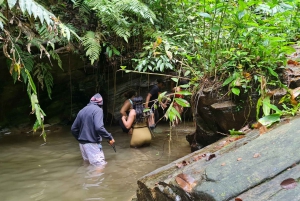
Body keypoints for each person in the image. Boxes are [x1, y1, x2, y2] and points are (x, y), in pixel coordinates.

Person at [71, 93, 115, 167]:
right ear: (101, 104)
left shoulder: (82, 110)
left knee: (88, 165)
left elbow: (73, 129)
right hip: (92, 144)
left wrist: (80, 139)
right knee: (100, 166)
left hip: (82, 145)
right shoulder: (98, 110)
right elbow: (99, 127)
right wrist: (110, 137)